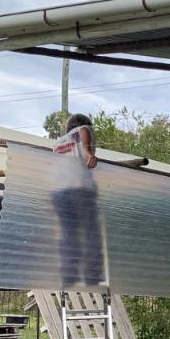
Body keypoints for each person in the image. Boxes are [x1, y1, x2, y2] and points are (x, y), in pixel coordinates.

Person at [51, 113, 105, 287]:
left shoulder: (58, 143)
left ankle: (69, 274)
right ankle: (92, 274)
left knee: (68, 234)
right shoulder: (83, 129)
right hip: (80, 188)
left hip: (58, 192)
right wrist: (89, 153)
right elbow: (84, 140)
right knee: (91, 231)